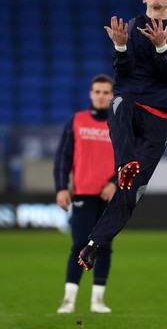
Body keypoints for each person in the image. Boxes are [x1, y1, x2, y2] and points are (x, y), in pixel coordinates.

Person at [78, 0, 167, 271]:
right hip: (132, 103)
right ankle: (125, 163)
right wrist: (119, 47)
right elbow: (123, 72)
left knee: (132, 190)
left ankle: (94, 244)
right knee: (117, 103)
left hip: (160, 118)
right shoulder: (129, 26)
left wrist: (161, 47)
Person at [54, 74, 117, 313]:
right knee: (80, 244)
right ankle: (69, 300)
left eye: (106, 92)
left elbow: (128, 160)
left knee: (105, 246)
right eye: (97, 92)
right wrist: (61, 187)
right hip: (82, 192)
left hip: (110, 194)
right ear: (91, 94)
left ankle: (97, 300)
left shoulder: (120, 122)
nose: (101, 96)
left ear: (113, 95)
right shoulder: (76, 121)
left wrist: (114, 183)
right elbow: (63, 157)